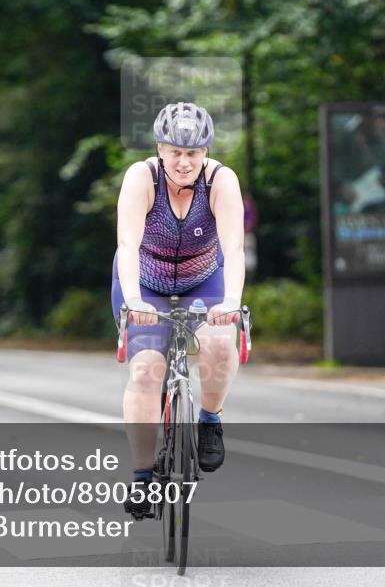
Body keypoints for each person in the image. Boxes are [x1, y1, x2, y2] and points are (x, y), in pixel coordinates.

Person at [112, 102, 245, 519]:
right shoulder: (142, 177)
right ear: (160, 149)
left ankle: (210, 419)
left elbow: (234, 248)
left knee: (221, 345)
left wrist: (231, 303)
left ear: (205, 152)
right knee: (146, 368)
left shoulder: (221, 180)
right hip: (145, 284)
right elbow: (127, 246)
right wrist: (134, 300)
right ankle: (142, 477)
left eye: (193, 153)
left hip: (204, 280)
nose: (184, 162)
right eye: (175, 152)